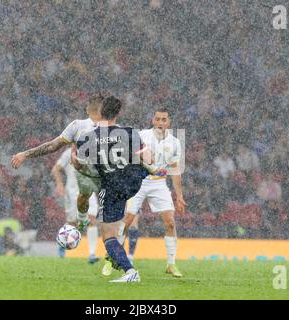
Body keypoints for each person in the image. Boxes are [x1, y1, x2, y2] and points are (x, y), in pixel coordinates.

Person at [76, 96, 165, 283]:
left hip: (112, 187)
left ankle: (128, 270)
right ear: (118, 113)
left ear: (99, 113)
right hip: (133, 182)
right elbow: (147, 159)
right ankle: (120, 251)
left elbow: (82, 167)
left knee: (108, 235)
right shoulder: (130, 132)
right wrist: (149, 165)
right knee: (146, 160)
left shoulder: (87, 137)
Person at [102, 108, 187, 277]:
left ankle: (171, 264)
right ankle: (111, 259)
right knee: (126, 222)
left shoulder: (175, 142)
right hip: (138, 182)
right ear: (153, 120)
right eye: (157, 119)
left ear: (169, 122)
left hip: (159, 184)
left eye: (164, 120)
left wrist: (179, 196)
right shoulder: (142, 136)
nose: (160, 123)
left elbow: (175, 170)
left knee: (170, 222)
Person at [11, 94, 104, 231]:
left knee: (85, 221)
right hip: (95, 186)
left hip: (86, 186)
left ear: (88, 109)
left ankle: (86, 250)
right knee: (91, 222)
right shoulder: (115, 130)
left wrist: (26, 154)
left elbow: (52, 146)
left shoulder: (77, 125)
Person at [51, 147, 99, 263]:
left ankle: (92, 254)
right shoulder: (68, 153)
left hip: (88, 191)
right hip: (72, 193)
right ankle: (62, 245)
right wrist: (59, 184)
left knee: (91, 220)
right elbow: (55, 169)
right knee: (72, 223)